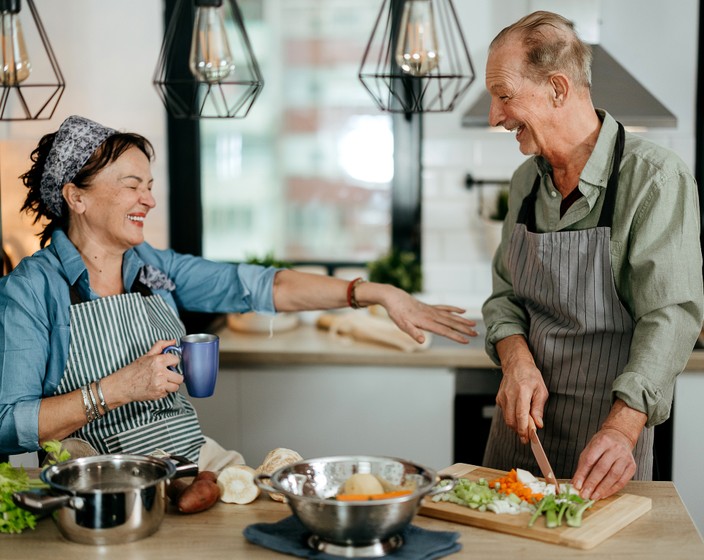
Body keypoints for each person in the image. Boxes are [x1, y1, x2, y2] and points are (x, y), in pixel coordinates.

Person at [0, 115, 477, 471]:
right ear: (76, 197)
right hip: (103, 483)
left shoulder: (152, 267)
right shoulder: (30, 289)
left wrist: (376, 292)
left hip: (189, 462)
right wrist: (117, 389)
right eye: (131, 186)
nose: (148, 199)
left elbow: (259, 285)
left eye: (149, 186)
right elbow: (7, 424)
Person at [480, 11, 704, 501]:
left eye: (503, 94)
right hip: (518, 438)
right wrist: (515, 358)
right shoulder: (524, 183)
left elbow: (670, 317)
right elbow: (504, 298)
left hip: (606, 447)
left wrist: (623, 429)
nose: (494, 116)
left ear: (558, 89)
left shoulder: (655, 179)